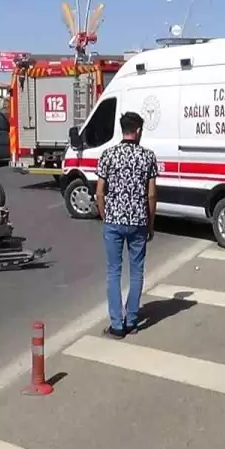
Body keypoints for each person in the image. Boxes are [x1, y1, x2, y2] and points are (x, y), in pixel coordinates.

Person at [95, 111, 158, 339]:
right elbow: (151, 195)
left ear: (123, 130)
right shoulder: (147, 157)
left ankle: (116, 324)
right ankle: (132, 320)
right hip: (138, 222)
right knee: (136, 271)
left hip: (113, 221)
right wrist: (150, 223)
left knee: (113, 271)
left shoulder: (108, 155)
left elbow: (99, 192)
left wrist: (105, 215)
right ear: (138, 130)